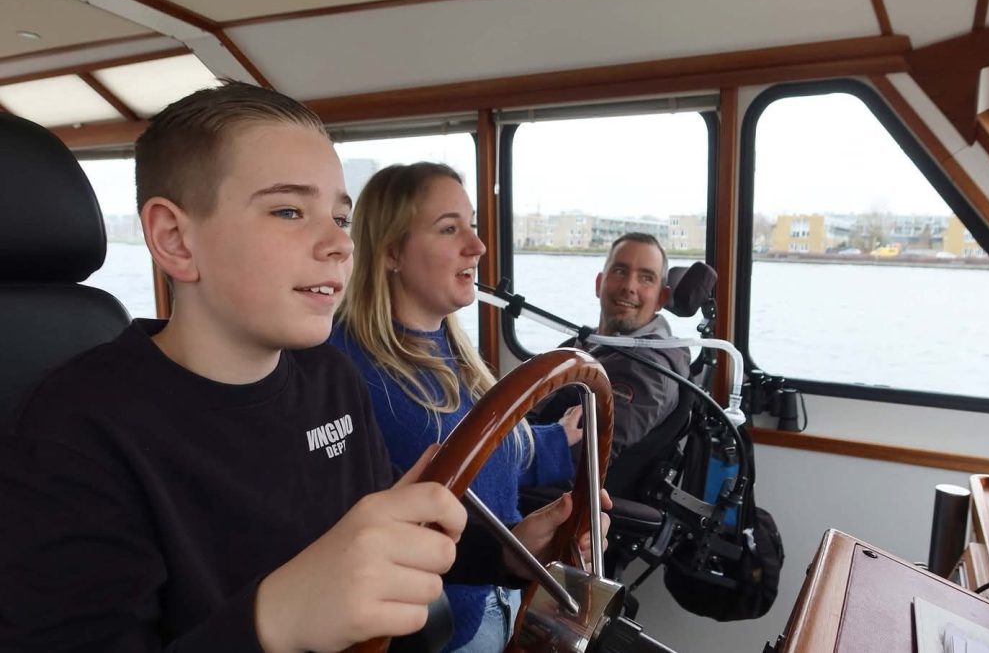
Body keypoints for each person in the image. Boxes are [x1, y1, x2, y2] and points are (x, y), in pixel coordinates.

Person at [0, 82, 607, 652]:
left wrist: (505, 552)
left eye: (340, 218)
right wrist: (276, 616)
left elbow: (375, 537)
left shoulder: (329, 379)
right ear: (176, 239)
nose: (340, 244)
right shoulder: (79, 429)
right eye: (289, 211)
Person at [330, 162, 584, 652]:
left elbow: (486, 455)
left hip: (507, 598)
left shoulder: (456, 354)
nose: (478, 246)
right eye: (450, 229)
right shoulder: (346, 370)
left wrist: (559, 442)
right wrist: (512, 548)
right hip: (442, 628)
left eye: (472, 225)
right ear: (391, 252)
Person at [532, 232, 691, 460]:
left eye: (646, 278)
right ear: (599, 283)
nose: (629, 286)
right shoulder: (586, 344)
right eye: (620, 271)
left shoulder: (644, 370)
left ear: (661, 299)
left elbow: (575, 462)